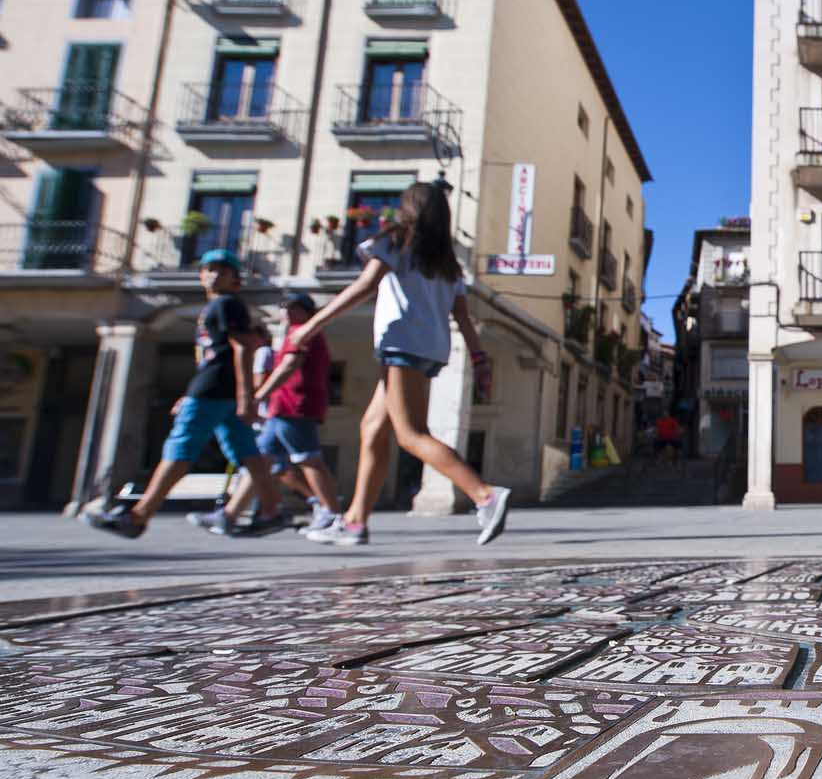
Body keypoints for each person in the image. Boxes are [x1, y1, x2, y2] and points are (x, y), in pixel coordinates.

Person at [289, 181, 509, 548]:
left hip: (401, 345)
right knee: (373, 427)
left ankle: (484, 494)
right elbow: (464, 318)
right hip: (430, 350)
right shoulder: (447, 261)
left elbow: (364, 285)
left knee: (410, 434)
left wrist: (310, 327)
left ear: (408, 208)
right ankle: (355, 522)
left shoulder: (395, 240)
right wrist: (479, 359)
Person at [85, 250, 286, 539]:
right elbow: (210, 356)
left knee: (180, 447)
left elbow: (242, 348)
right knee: (247, 453)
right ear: (201, 275)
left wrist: (246, 396)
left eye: (223, 270)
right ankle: (271, 510)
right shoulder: (216, 307)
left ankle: (138, 516)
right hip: (214, 389)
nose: (215, 274)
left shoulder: (228, 304)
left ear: (235, 280)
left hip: (216, 390)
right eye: (209, 269)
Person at [189, 293, 340, 536]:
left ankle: (332, 514)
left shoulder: (302, 332)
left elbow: (289, 365)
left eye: (294, 308)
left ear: (307, 312)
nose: (287, 312)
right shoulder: (300, 332)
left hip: (294, 405)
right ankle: (229, 515)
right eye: (284, 307)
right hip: (282, 407)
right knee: (260, 460)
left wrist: (259, 394)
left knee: (308, 459)